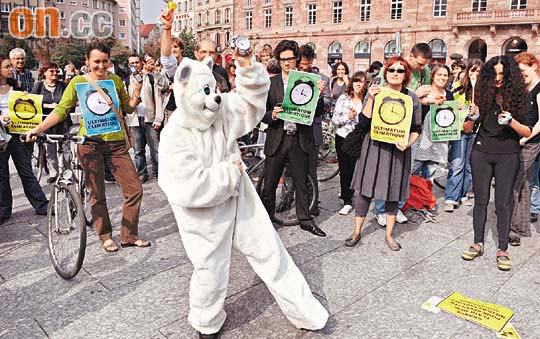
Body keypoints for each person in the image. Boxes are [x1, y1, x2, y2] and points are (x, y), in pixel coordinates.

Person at [158, 10, 329, 338]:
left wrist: (248, 64)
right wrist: (228, 173)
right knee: (211, 269)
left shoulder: (220, 110)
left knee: (271, 251)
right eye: (204, 92)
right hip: (204, 214)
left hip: (239, 196)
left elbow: (250, 104)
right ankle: (206, 323)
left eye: (213, 89)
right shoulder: (175, 133)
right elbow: (183, 187)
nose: (214, 98)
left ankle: (306, 311)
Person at [25, 41, 150, 253]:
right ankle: (105, 236)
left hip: (116, 143)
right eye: (96, 62)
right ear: (87, 61)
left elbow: (128, 108)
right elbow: (62, 110)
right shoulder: (78, 82)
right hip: (89, 143)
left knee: (134, 189)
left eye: (104, 61)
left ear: (109, 61)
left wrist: (137, 92)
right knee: (97, 193)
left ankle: (129, 235)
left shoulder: (115, 80)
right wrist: (38, 129)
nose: (101, 66)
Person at [461, 55, 534, 271]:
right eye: (494, 74)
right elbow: (466, 130)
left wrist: (512, 121)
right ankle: (477, 243)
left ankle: (502, 248)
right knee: (481, 201)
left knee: (503, 203)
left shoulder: (523, 96)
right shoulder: (482, 94)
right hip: (481, 152)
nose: (498, 78)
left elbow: (527, 131)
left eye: (502, 74)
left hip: (508, 154)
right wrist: (471, 118)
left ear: (510, 75)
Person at [344, 56, 422, 250]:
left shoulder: (411, 98)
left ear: (406, 75)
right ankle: (356, 231)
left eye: (400, 71)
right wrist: (370, 98)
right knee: (364, 190)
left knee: (393, 191)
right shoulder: (376, 92)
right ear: (385, 73)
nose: (395, 74)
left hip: (397, 151)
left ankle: (389, 235)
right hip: (374, 146)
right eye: (391, 70)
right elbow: (363, 121)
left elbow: (416, 128)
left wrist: (408, 143)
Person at [261, 39, 327, 237]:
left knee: (301, 183)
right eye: (283, 60)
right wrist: (272, 114)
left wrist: (320, 96)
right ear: (278, 61)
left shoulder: (309, 81)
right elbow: (259, 113)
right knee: (269, 185)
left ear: (297, 59)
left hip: (300, 140)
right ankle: (265, 222)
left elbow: (318, 113)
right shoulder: (270, 84)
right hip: (277, 139)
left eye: (290, 58)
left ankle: (305, 219)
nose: (287, 63)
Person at [374, 43, 433, 226]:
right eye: (420, 64)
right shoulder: (394, 67)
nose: (422, 68)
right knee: (384, 171)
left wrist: (430, 100)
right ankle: (381, 209)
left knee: (405, 169)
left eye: (425, 65)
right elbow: (384, 97)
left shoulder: (425, 72)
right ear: (411, 55)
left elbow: (420, 101)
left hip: (410, 129)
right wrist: (415, 94)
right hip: (389, 125)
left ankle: (397, 206)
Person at [0, 54, 48, 225]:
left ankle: (42, 205)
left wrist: (26, 98)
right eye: (6, 66)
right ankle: (4, 210)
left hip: (17, 133)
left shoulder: (16, 86)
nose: (11, 69)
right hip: (1, 136)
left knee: (26, 170)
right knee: (2, 174)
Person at [508, 52, 540, 246]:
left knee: (515, 182)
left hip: (530, 142)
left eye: (523, 71)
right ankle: (519, 225)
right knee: (523, 184)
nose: (521, 75)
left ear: (534, 66)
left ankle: (513, 227)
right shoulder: (525, 89)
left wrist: (526, 137)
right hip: (523, 139)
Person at [444, 60, 483, 212]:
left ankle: (464, 193)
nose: (475, 75)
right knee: (457, 163)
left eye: (478, 71)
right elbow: (450, 105)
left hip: (477, 131)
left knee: (469, 165)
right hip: (460, 129)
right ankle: (451, 196)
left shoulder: (484, 90)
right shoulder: (459, 86)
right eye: (473, 71)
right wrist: (459, 106)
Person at [298, 43, 331, 216]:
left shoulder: (322, 79)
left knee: (311, 169)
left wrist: (318, 96)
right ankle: (291, 198)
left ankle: (313, 204)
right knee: (291, 169)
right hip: (294, 129)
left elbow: (327, 103)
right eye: (301, 66)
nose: (304, 69)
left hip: (313, 129)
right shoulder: (292, 76)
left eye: (308, 66)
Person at [332, 71, 367, 215]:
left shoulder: (367, 100)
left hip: (361, 139)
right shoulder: (344, 99)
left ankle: (355, 194)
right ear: (352, 82)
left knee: (359, 169)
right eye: (356, 81)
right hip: (344, 137)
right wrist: (348, 116)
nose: (359, 84)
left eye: (362, 81)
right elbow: (334, 120)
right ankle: (347, 199)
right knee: (345, 170)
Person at [127, 53, 166, 183]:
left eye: (137, 62)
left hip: (150, 118)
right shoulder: (126, 81)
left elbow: (160, 95)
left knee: (155, 149)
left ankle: (159, 173)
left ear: (141, 63)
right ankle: (142, 173)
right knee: (138, 151)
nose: (134, 65)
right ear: (128, 65)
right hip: (134, 120)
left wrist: (158, 119)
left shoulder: (150, 78)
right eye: (132, 63)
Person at [30, 61, 72, 184]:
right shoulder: (38, 86)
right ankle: (54, 172)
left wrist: (61, 107)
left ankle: (66, 172)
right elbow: (32, 103)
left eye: (56, 71)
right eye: (51, 71)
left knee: (66, 149)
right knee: (50, 149)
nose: (55, 73)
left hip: (63, 122)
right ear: (44, 73)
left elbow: (69, 101)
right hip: (46, 123)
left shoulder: (63, 85)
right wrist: (49, 105)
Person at [412, 64, 453, 182]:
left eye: (445, 75)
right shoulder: (424, 91)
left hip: (439, 141)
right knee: (412, 173)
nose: (442, 77)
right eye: (439, 74)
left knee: (430, 175)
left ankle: (425, 199)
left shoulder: (449, 94)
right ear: (433, 76)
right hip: (421, 139)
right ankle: (409, 200)